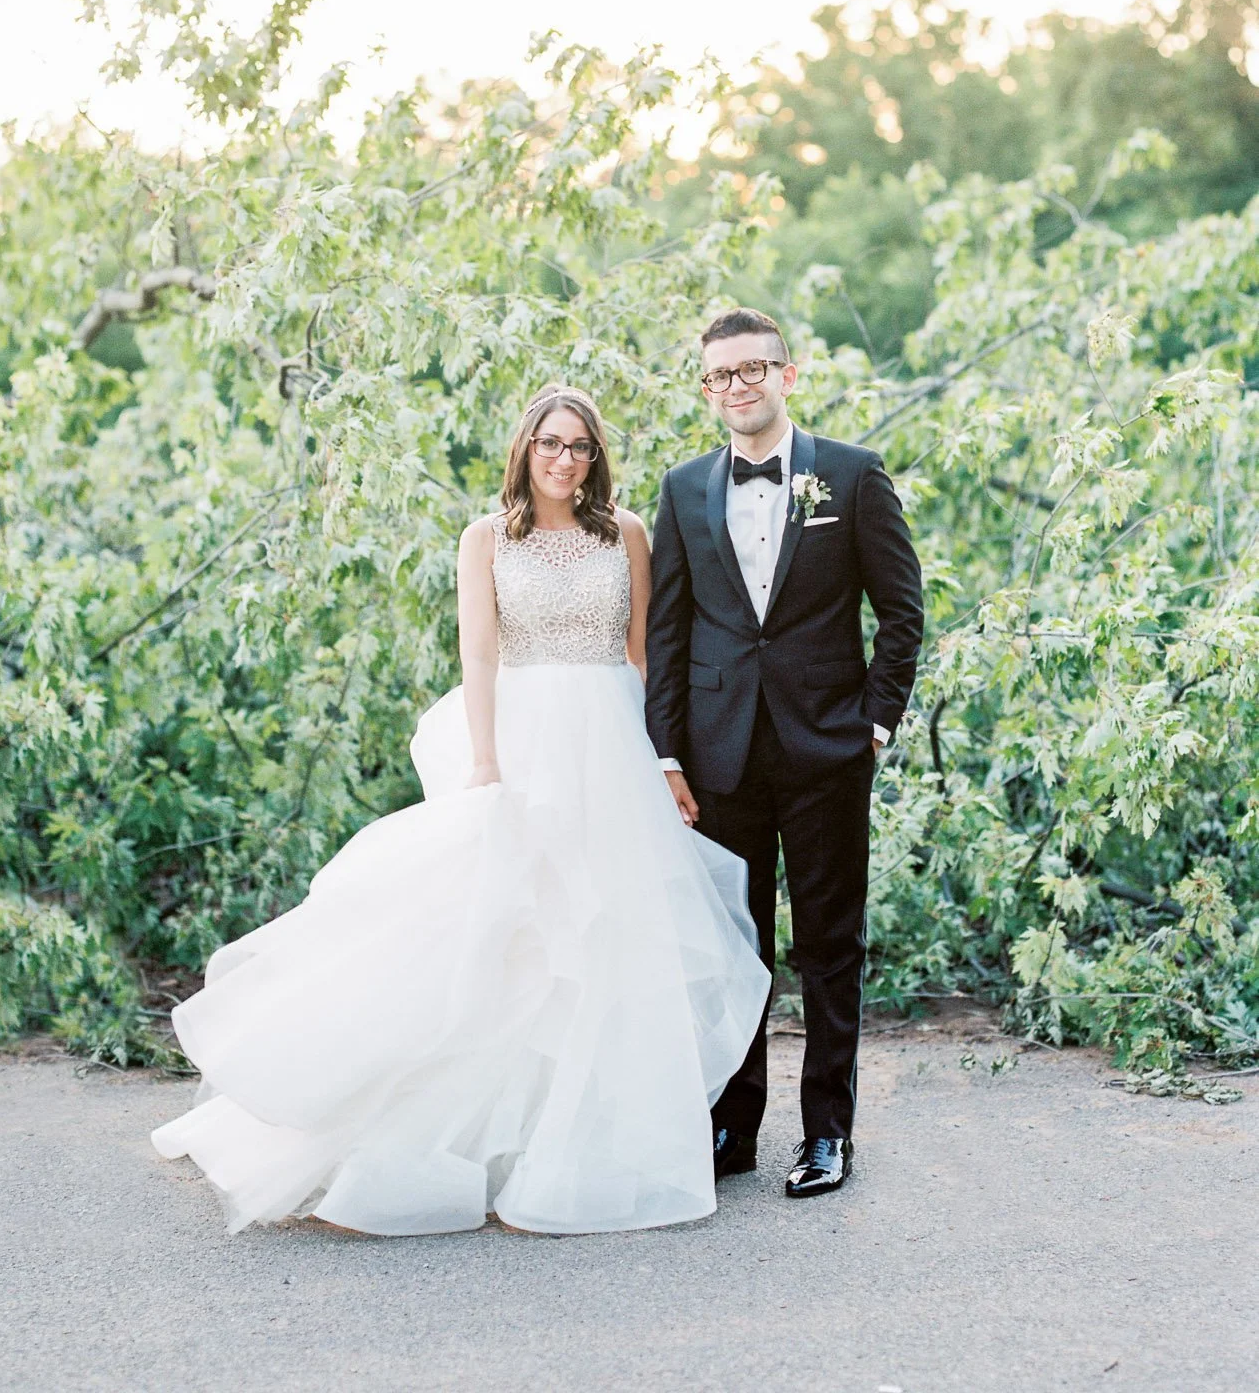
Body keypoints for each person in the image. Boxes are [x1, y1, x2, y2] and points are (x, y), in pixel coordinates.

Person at [151, 385, 769, 1236]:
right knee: (516, 932)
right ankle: (482, 1144)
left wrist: (660, 758)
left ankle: (583, 1143)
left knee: (611, 935)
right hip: (526, 739)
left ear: (596, 457)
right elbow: (478, 653)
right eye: (551, 444)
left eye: (581, 447)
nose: (565, 460)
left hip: (612, 747)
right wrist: (485, 760)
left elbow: (645, 655)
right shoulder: (486, 538)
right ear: (525, 449)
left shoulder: (624, 533)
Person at [645, 308, 924, 1198]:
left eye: (754, 370)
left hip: (827, 751)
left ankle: (828, 1135)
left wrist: (872, 727)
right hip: (720, 757)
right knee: (737, 947)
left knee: (830, 947)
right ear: (707, 389)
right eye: (721, 376)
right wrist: (667, 755)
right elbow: (669, 630)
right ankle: (734, 1127)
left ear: (788, 374)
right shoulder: (684, 489)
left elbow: (902, 614)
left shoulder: (850, 474)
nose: (739, 387)